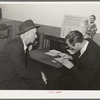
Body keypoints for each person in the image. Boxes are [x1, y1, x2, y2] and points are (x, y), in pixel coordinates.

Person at [0, 19, 47, 90]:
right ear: (27, 33)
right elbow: (22, 72)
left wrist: (28, 46)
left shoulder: (18, 43)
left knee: (37, 81)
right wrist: (40, 74)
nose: (36, 36)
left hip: (12, 74)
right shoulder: (16, 47)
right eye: (34, 33)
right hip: (6, 81)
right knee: (36, 82)